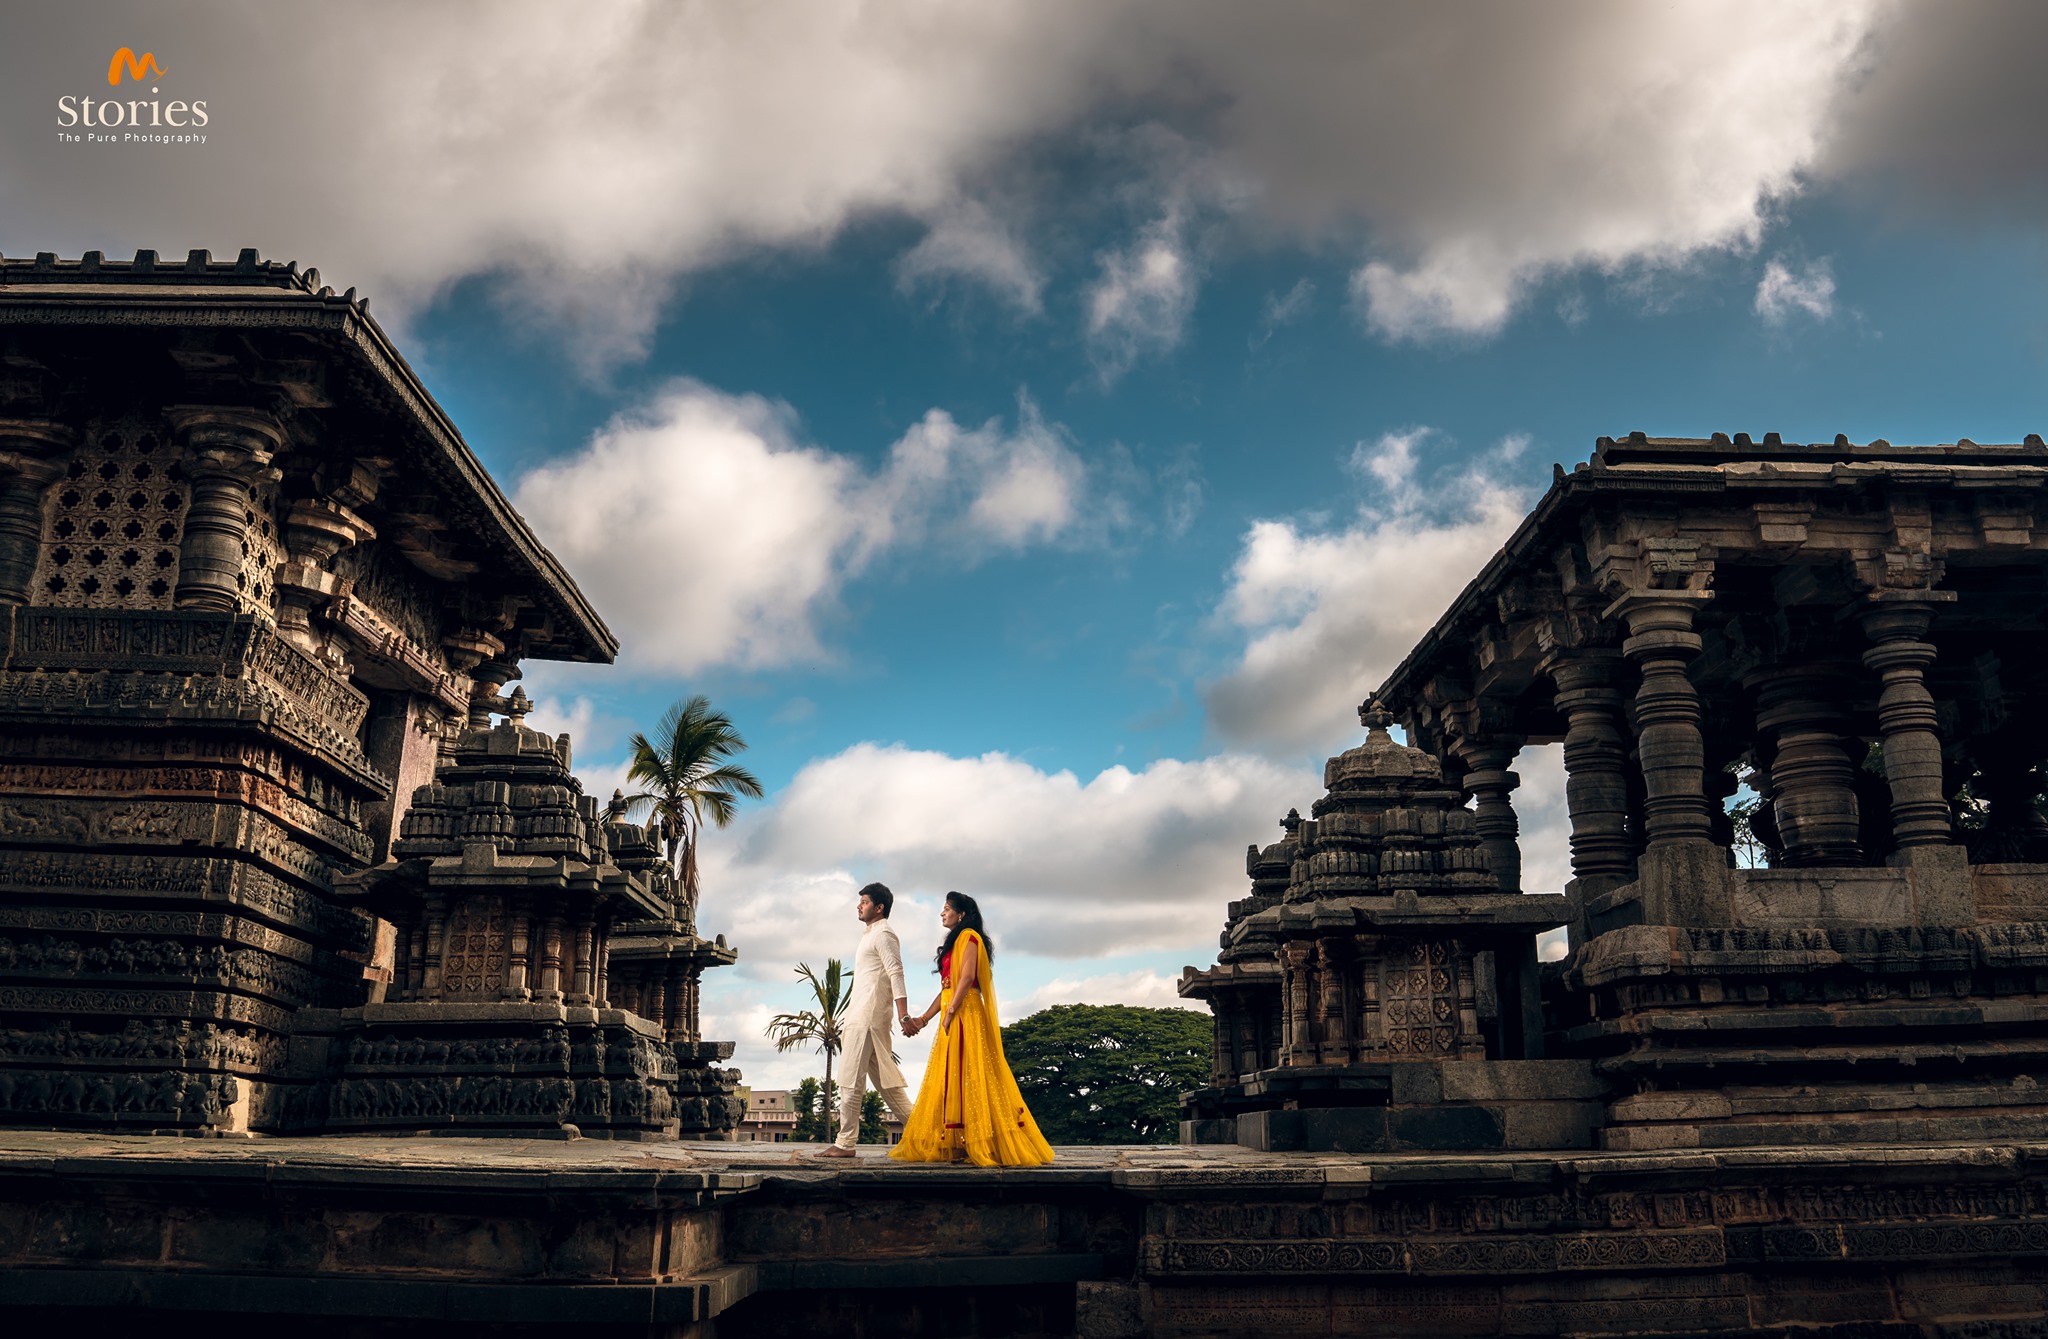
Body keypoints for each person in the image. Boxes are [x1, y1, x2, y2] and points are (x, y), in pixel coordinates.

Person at [891, 891, 1054, 1166]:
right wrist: (924, 1019)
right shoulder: (955, 943)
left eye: (946, 909)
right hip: (954, 1009)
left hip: (966, 1012)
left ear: (961, 914)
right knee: (954, 1075)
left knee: (972, 1072)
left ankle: (980, 1141)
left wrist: (952, 1011)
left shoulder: (969, 938)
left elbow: (966, 979)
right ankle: (959, 1141)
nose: (942, 914)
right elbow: (946, 988)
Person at [816, 882, 916, 1158]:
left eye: (865, 901)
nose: (859, 906)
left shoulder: (884, 934)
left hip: (868, 1018)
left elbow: (897, 972)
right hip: (862, 1015)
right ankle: (927, 1132)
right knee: (888, 1086)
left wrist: (904, 1014)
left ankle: (845, 1143)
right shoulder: (869, 935)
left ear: (879, 907)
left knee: (850, 1079)